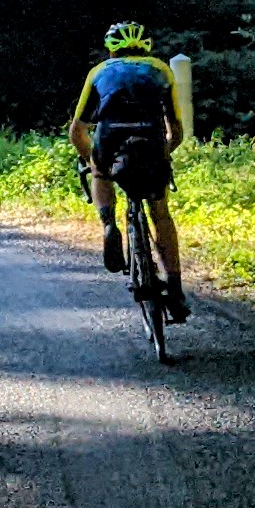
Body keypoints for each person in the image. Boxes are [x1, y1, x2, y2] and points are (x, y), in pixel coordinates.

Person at [68, 20, 188, 318]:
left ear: (111, 48)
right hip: (150, 139)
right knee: (160, 214)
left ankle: (108, 223)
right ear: (146, 45)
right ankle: (175, 288)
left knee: (99, 171)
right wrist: (165, 153)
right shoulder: (161, 69)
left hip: (110, 138)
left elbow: (77, 130)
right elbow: (176, 129)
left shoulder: (99, 72)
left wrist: (90, 161)